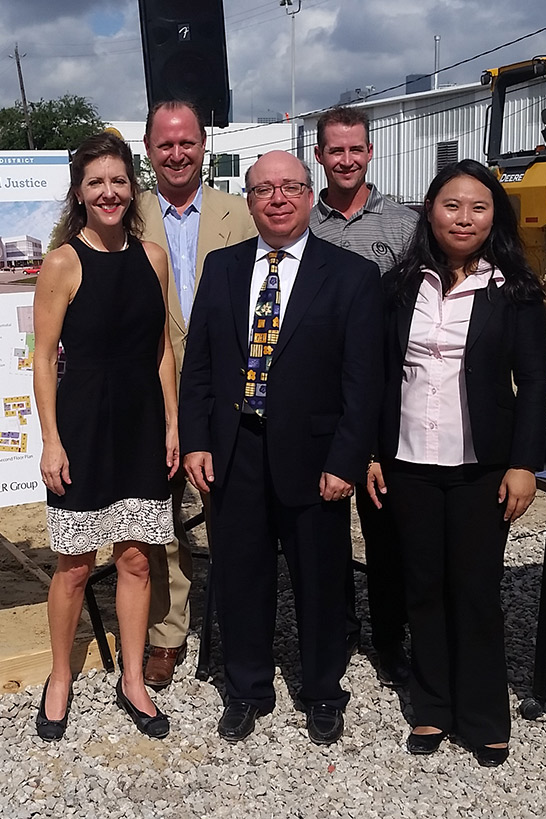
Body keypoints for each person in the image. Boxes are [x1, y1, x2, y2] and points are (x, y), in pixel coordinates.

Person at [180, 150, 383, 745]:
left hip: (315, 458)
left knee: (320, 580)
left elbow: (362, 382)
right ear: (248, 199)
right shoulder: (221, 268)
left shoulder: (350, 275)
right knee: (241, 577)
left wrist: (346, 459)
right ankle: (245, 688)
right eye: (263, 189)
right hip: (235, 450)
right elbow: (200, 368)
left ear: (307, 192)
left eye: (290, 187)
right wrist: (196, 440)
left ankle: (322, 689)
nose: (277, 198)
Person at [366, 159, 546, 768]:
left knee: (475, 591)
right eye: (451, 205)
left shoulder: (515, 293)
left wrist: (523, 464)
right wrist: (372, 450)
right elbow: (378, 376)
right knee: (421, 587)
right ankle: (432, 706)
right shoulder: (399, 287)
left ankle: (483, 714)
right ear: (430, 212)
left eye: (478, 207)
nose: (463, 217)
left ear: (494, 216)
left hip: (481, 467)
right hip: (409, 463)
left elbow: (535, 386)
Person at [32, 131, 180, 742]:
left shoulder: (153, 256)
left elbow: (161, 348)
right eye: (96, 182)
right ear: (80, 192)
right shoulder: (63, 262)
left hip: (143, 425)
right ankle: (61, 676)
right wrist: (51, 439)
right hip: (85, 427)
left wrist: (172, 423)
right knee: (73, 565)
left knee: (139, 559)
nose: (109, 192)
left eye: (119, 181)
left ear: (131, 188)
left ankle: (132, 679)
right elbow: (41, 358)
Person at [134, 99, 257, 688]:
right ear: (149, 151)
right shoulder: (125, 215)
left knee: (230, 513)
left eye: (187, 143)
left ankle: (237, 622)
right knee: (161, 520)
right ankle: (167, 632)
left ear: (203, 147)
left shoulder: (243, 213)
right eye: (165, 145)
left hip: (226, 393)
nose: (177, 154)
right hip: (149, 391)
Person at [310, 104, 418, 685]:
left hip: (383, 397)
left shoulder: (402, 225)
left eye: (356, 149)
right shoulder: (305, 222)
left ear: (369, 153)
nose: (346, 159)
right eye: (335, 150)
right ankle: (337, 626)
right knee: (326, 526)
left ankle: (390, 637)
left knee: (383, 527)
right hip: (322, 401)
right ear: (321, 156)